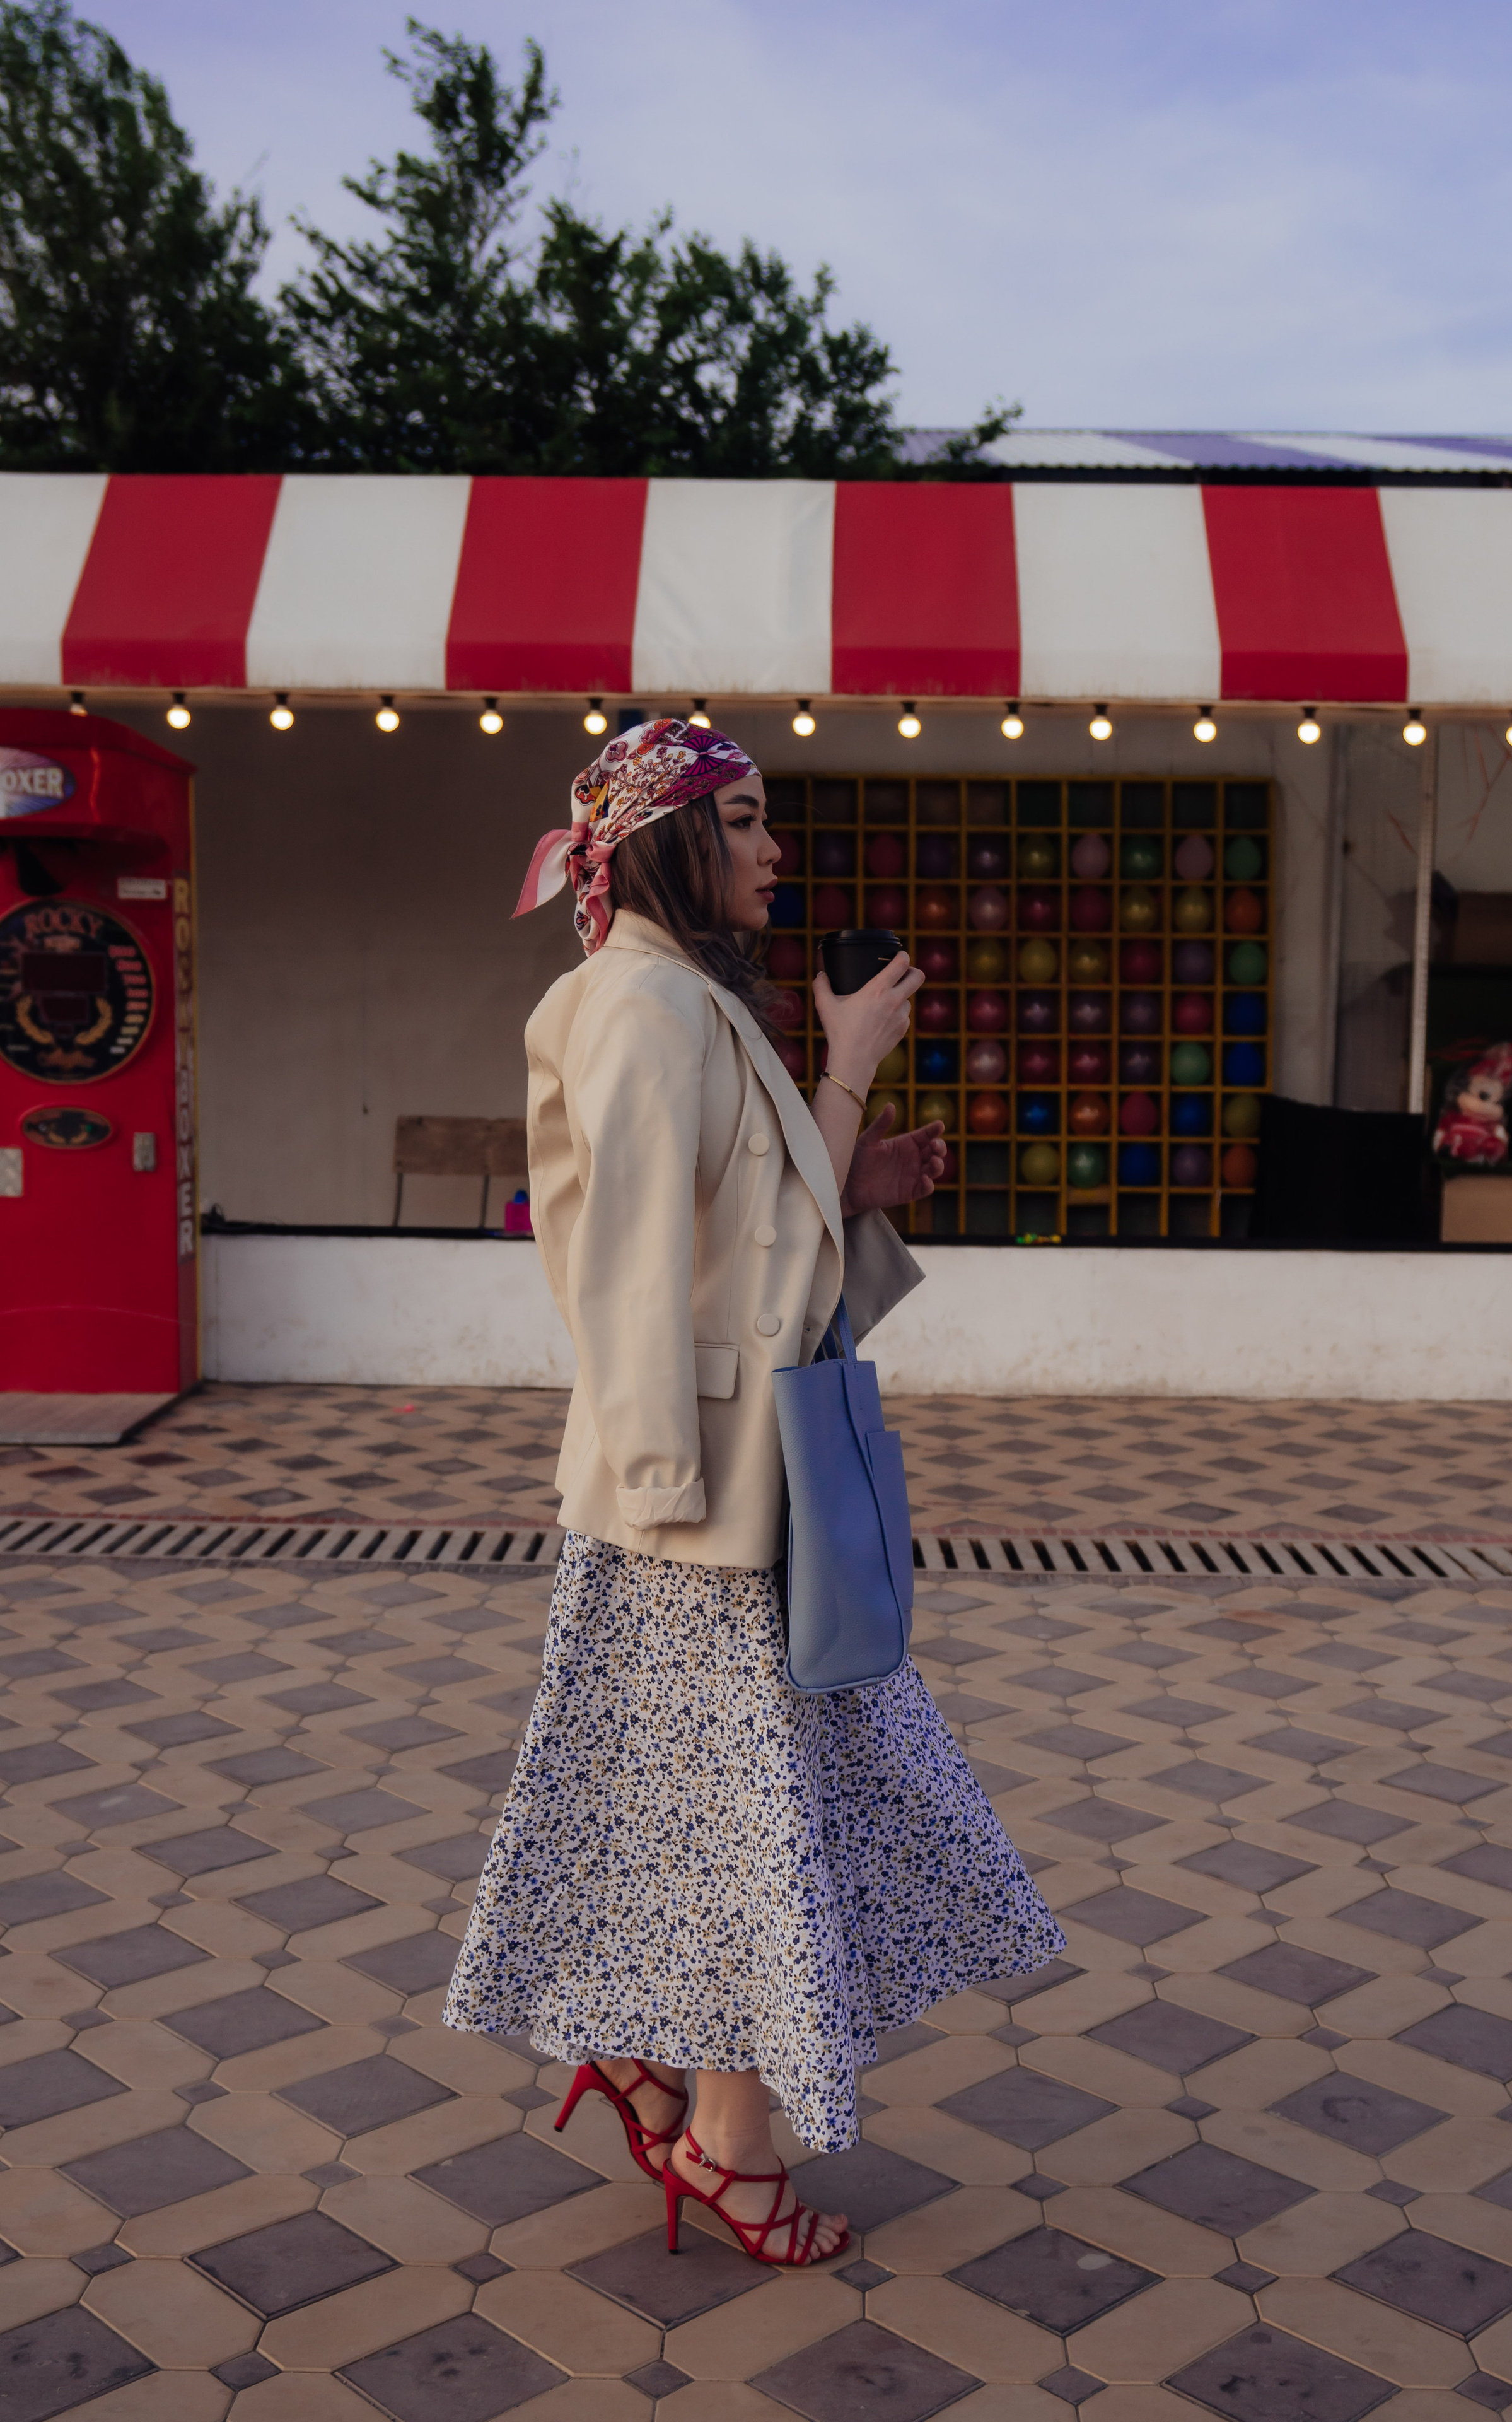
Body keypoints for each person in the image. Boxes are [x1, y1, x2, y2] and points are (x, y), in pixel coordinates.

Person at [445, 718, 1063, 2268]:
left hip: (716, 1498)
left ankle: (676, 2080)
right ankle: (723, 2139)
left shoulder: (676, 1002)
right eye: (746, 822)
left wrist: (842, 1172)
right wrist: (844, 1073)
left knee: (751, 1827)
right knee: (753, 1830)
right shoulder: (646, 1009)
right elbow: (638, 1271)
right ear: (666, 841)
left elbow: (741, 1247)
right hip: (698, 1512)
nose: (774, 851)